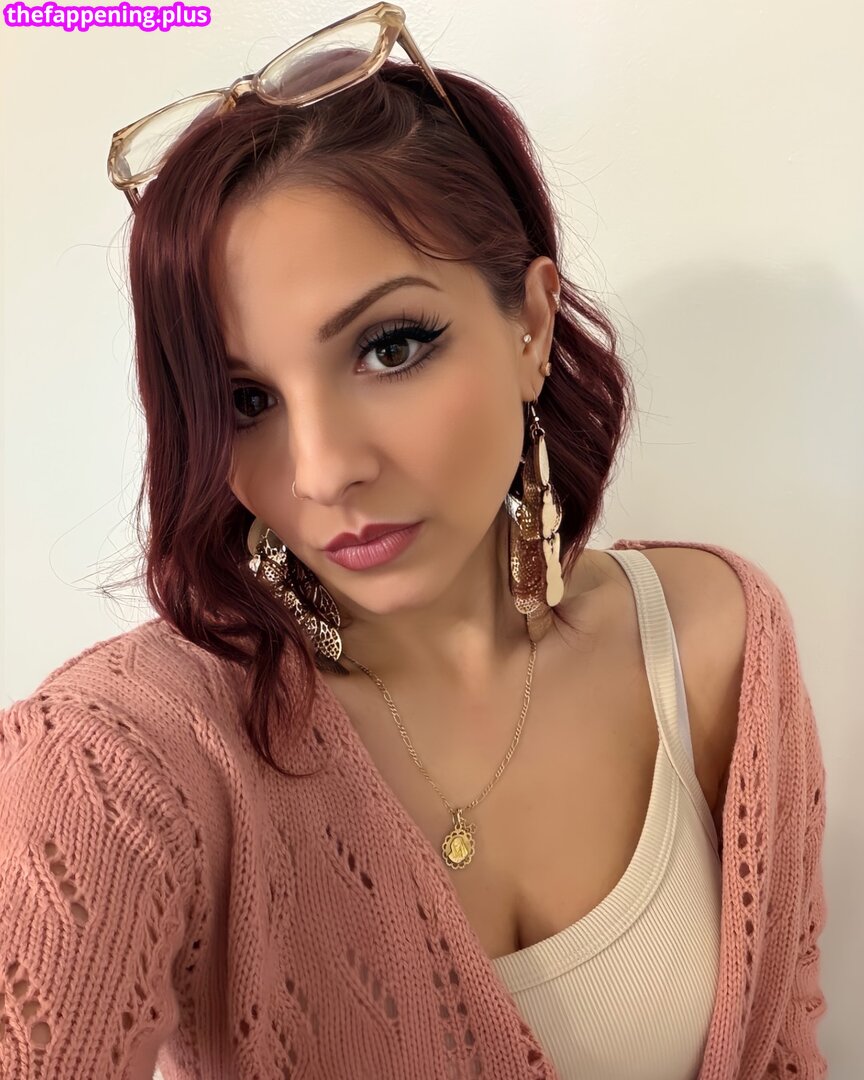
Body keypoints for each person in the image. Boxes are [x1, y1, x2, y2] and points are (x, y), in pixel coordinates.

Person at [0, 5, 827, 1079]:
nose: (321, 471)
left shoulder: (716, 644)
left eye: (390, 348)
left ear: (531, 327)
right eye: (245, 399)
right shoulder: (120, 757)